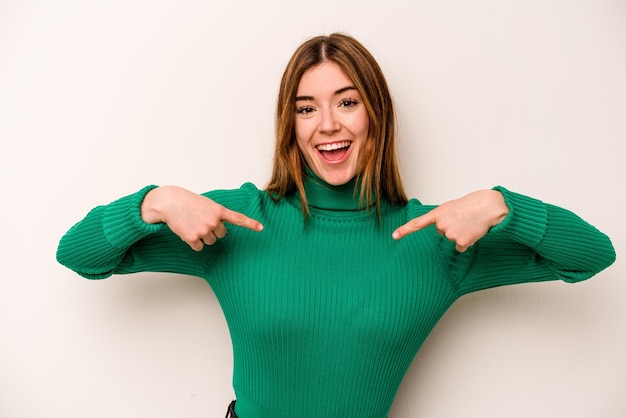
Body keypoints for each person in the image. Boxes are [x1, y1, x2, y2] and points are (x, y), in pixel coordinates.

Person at [57, 33, 616, 418]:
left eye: (346, 102)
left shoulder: (436, 239)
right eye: (306, 108)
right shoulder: (234, 223)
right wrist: (150, 202)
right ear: (290, 124)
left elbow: (593, 256)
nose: (328, 125)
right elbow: (78, 255)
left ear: (375, 112)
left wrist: (505, 205)